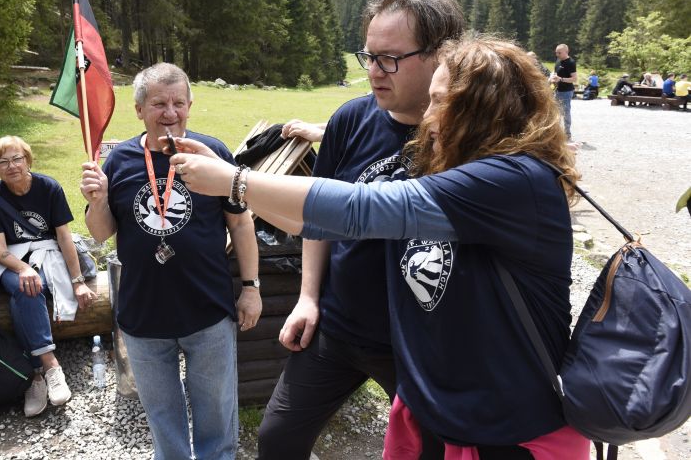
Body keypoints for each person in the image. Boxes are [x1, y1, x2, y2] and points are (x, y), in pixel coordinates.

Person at [170, 35, 590, 459]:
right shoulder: (450, 174)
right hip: (444, 415)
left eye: (440, 101)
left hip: (509, 432)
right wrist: (233, 182)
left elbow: (359, 208)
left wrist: (235, 181)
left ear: (480, 109)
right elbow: (318, 220)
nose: (427, 118)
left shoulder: (512, 181)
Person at [258, 0, 466, 460]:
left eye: (389, 58)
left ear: (441, 55)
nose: (374, 71)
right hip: (337, 327)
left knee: (430, 452)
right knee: (277, 439)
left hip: (419, 347)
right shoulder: (351, 119)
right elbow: (317, 215)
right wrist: (308, 297)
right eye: (368, 55)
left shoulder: (467, 140)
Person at [80, 63, 260, 460]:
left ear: (191, 106)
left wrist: (251, 288)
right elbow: (100, 232)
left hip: (208, 311)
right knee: (163, 417)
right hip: (144, 317)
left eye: (179, 102)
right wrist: (97, 202)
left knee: (217, 415)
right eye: (159, 103)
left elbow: (241, 224)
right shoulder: (120, 161)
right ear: (139, 109)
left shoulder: (212, 153)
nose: (170, 112)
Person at [0, 135, 96, 418]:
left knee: (33, 290)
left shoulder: (48, 187)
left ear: (28, 160)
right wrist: (23, 268)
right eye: (3, 162)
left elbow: (64, 237)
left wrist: (78, 282)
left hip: (49, 253)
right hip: (13, 260)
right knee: (27, 286)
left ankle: (34, 376)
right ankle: (50, 366)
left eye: (17, 158)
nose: (11, 166)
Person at [549, 43, 577, 139]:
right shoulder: (558, 60)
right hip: (556, 90)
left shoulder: (571, 63)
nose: (557, 54)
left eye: (559, 53)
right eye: (556, 52)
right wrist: (552, 78)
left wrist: (561, 79)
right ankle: (556, 133)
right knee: (555, 112)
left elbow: (574, 79)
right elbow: (555, 71)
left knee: (565, 112)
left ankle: (567, 133)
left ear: (566, 51)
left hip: (566, 92)